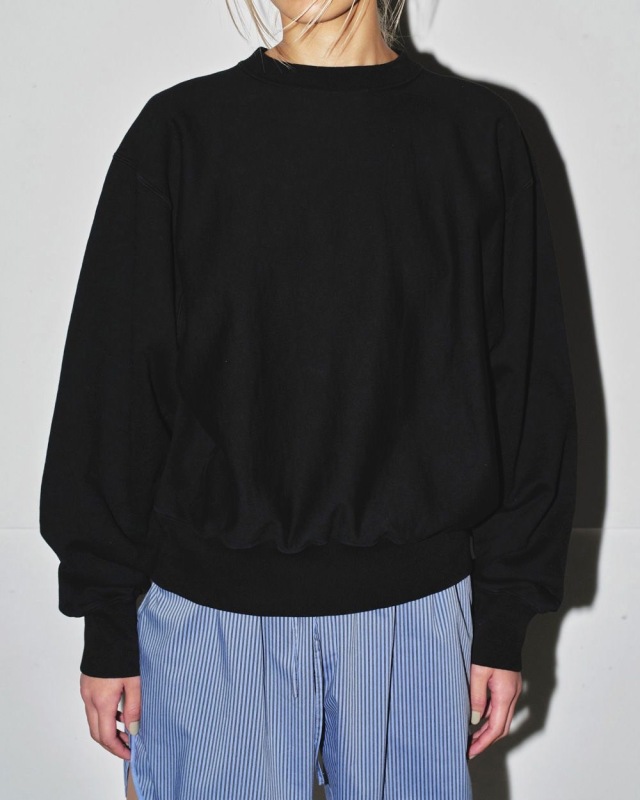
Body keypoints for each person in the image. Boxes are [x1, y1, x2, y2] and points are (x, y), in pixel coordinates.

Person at [38, 1, 577, 798]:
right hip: (210, 619)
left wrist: (503, 618)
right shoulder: (182, 134)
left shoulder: (476, 136)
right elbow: (112, 388)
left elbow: (528, 391)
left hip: (417, 621)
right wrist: (107, 619)